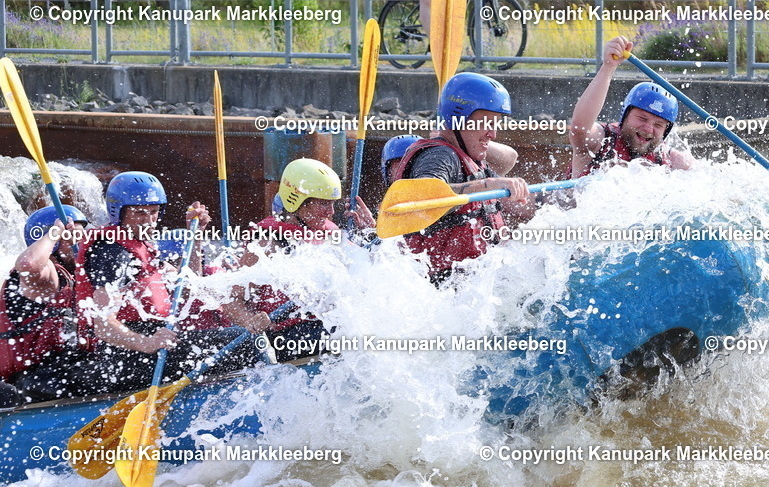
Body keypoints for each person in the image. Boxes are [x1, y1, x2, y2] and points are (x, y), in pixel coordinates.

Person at [74, 171, 258, 395]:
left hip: (151, 342)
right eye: (139, 213)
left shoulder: (141, 246)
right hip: (123, 356)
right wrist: (146, 343)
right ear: (118, 212)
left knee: (244, 338)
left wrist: (195, 236)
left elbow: (190, 284)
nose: (148, 221)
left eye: (153, 213)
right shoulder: (111, 253)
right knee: (246, 343)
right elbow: (102, 324)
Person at [569, 36, 769, 203]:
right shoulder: (599, 142)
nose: (648, 129)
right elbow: (579, 128)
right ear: (623, 118)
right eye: (642, 118)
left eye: (658, 125)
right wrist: (608, 68)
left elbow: (726, 194)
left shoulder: (673, 160)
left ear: (666, 131)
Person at [221, 158, 374, 361]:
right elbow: (232, 300)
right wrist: (250, 321)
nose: (331, 212)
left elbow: (367, 273)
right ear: (297, 201)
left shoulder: (330, 232)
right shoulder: (268, 243)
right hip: (288, 336)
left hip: (328, 325)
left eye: (332, 203)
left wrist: (373, 234)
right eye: (323, 203)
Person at [394, 73, 532, 283]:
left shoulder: (469, 157)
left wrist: (474, 137)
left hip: (473, 284)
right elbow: (425, 199)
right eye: (486, 123)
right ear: (458, 118)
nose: (492, 133)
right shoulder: (440, 156)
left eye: (495, 124)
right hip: (443, 287)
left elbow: (509, 158)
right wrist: (488, 185)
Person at [0, 205, 88, 405]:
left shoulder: (83, 276)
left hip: (65, 368)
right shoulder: (46, 275)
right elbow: (29, 263)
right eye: (72, 237)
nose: (80, 243)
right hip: (36, 379)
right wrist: (55, 232)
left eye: (82, 236)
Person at [381, 134, 518, 187]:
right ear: (387, 174)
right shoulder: (383, 212)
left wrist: (458, 139)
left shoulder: (459, 178)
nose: (410, 171)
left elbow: (509, 158)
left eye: (413, 164)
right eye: (399, 165)